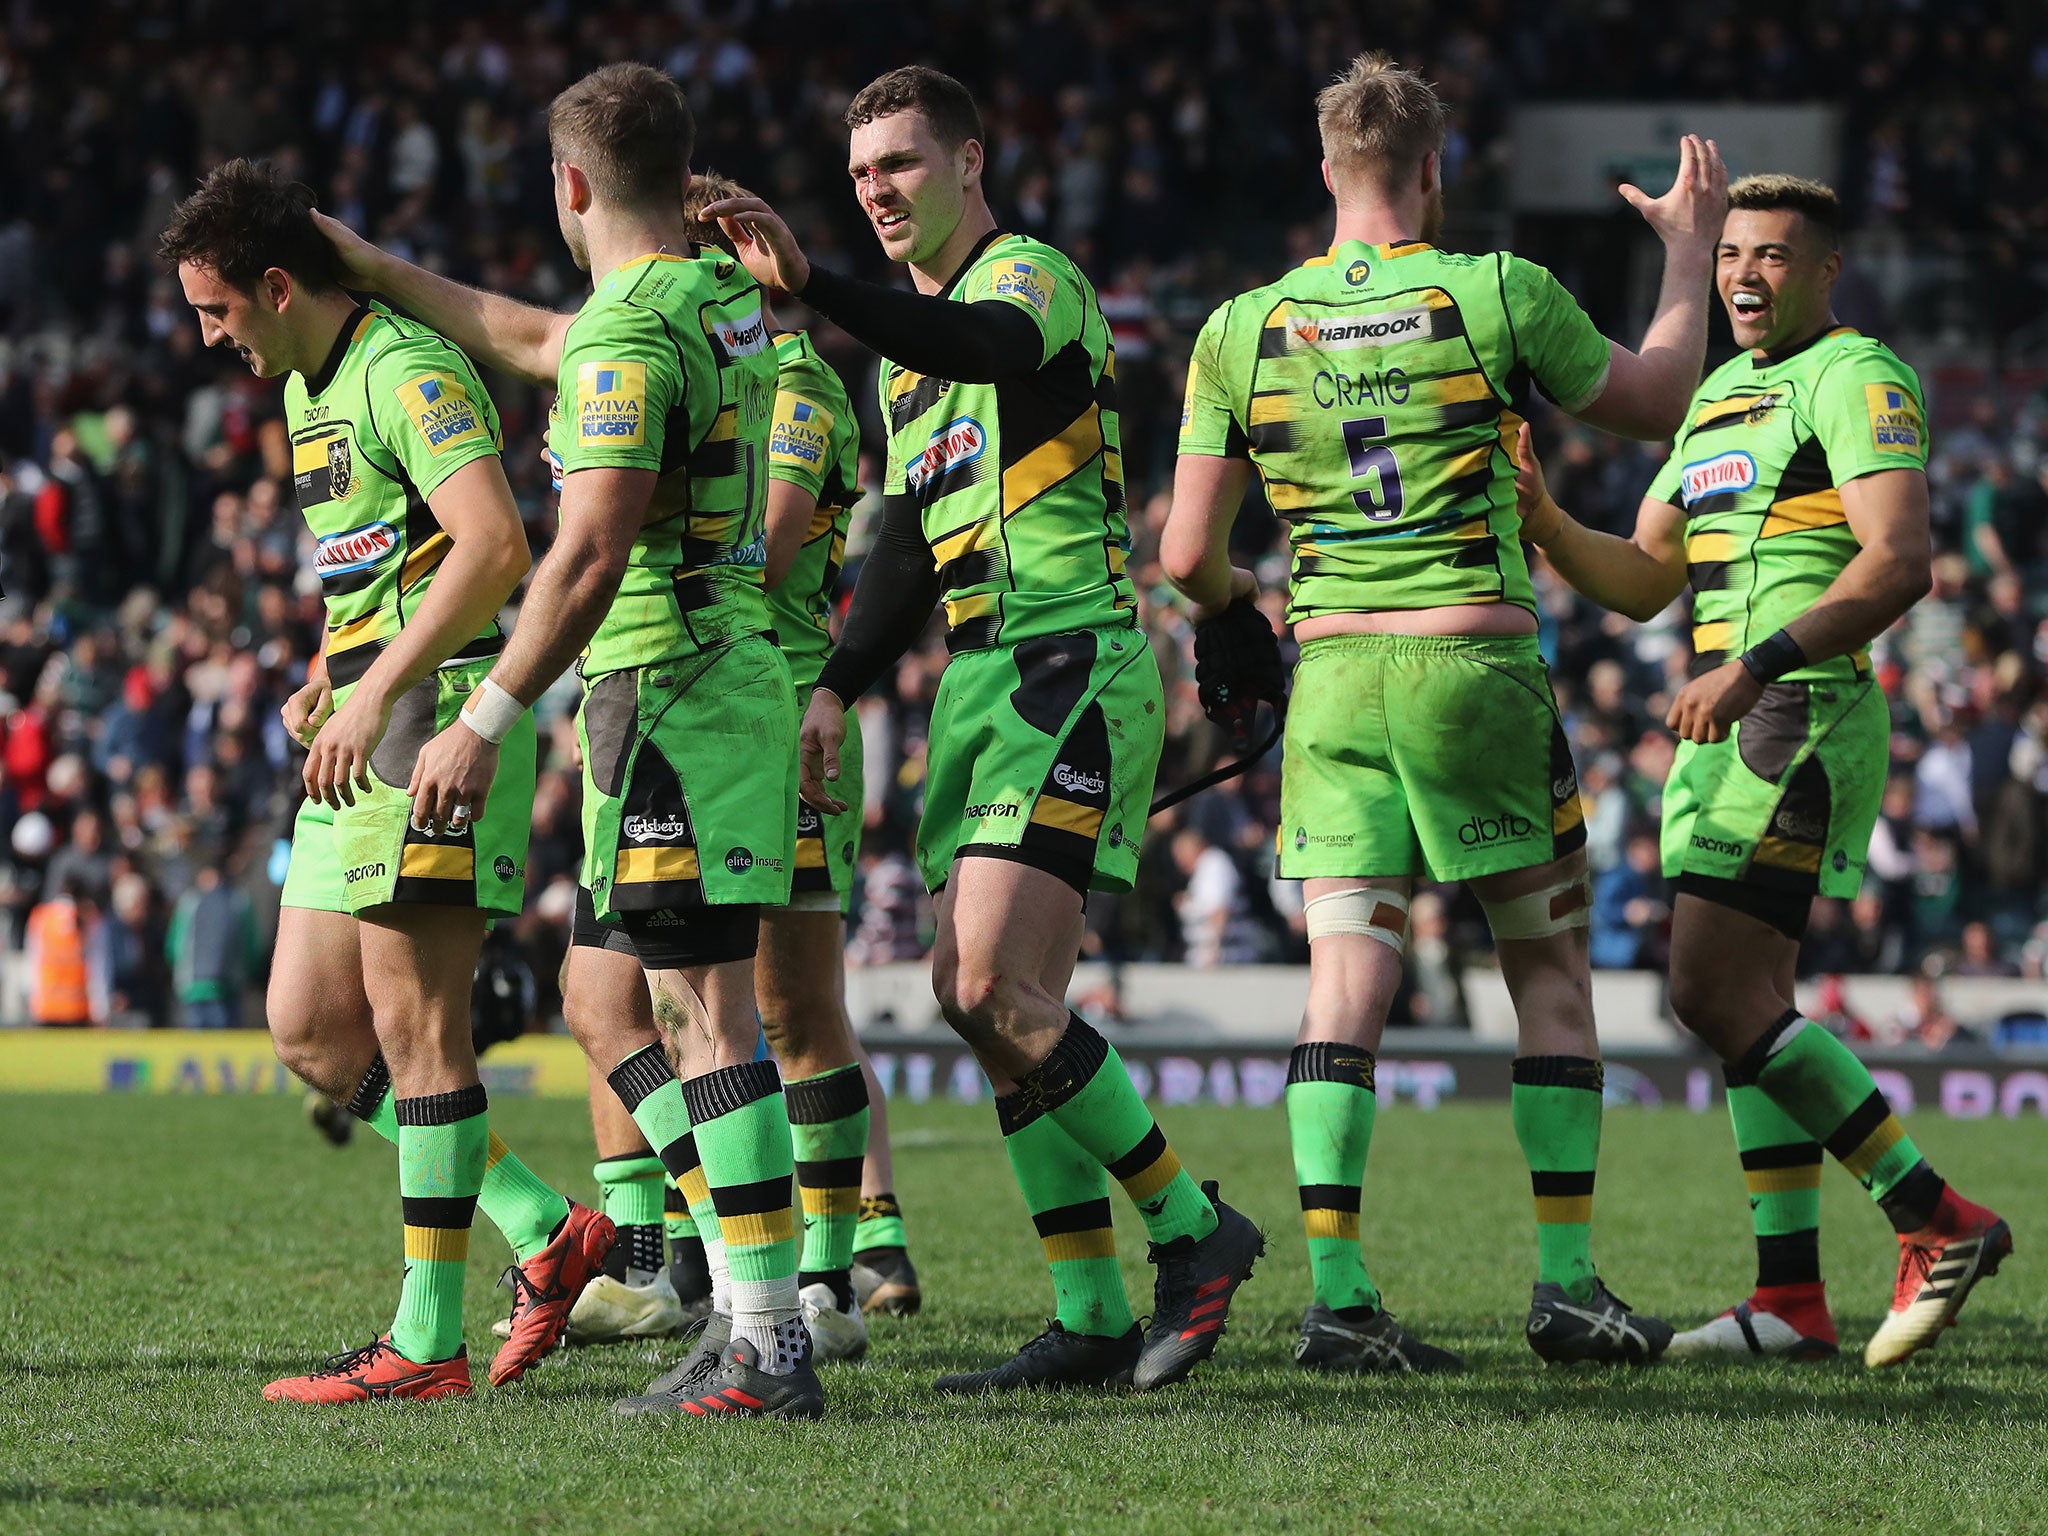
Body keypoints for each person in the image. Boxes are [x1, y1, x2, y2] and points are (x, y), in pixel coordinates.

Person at [702, 65, 1264, 1394]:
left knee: (978, 991)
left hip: (1066, 664)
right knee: (1003, 1012)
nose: (878, 192)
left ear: (970, 161)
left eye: (900, 164)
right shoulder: (910, 365)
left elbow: (989, 353)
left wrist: (819, 293)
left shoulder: (1028, 282)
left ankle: (1197, 1230)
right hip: (979, 681)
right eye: (859, 177)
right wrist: (838, 680)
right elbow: (898, 541)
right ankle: (1087, 1313)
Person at [1162, 54, 1723, 1372]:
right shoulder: (1493, 294)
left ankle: (1340, 1299)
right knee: (1548, 976)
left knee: (1344, 986)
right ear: (1432, 172)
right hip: (1475, 677)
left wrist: (1243, 604)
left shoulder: (1241, 329)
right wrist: (1687, 255)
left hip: (1339, 681)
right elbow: (1657, 401)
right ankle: (1569, 1288)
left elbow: (1189, 559)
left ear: (1325, 173)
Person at [321, 64, 821, 1420]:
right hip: (708, 684)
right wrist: (378, 266)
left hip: (669, 689)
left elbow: (592, 546)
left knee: (709, 1010)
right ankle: (741, 1307)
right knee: (610, 998)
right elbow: (541, 338)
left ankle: (768, 1340)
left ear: (572, 185)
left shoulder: (630, 328)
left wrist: (485, 716)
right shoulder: (720, 296)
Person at [1516, 174, 2011, 1367]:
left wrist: (1748, 670)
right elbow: (1642, 579)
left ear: (1825, 271)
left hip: (1792, 708)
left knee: (1706, 988)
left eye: (1774, 257)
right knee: (1746, 1007)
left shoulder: (1858, 378)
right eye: (1730, 253)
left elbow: (1896, 565)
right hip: (1721, 725)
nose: (1742, 275)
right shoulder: (1715, 400)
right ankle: (1789, 1299)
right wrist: (1537, 515)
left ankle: (1933, 1215)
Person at [160, 159, 610, 1403]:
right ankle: (543, 1227)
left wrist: (372, 690)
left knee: (419, 1031)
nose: (209, 339)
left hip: (437, 712)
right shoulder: (308, 389)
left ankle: (424, 1345)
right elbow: (376, 571)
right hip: (364, 716)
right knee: (310, 1029)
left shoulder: (403, 370)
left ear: (276, 283)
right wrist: (327, 672)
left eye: (218, 312)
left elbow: (495, 546)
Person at [165, 862, 259, 1029]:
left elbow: (173, 947)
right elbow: (251, 949)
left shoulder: (188, 902)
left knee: (195, 1049)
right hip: (228, 987)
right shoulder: (239, 901)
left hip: (192, 988)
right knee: (225, 1047)